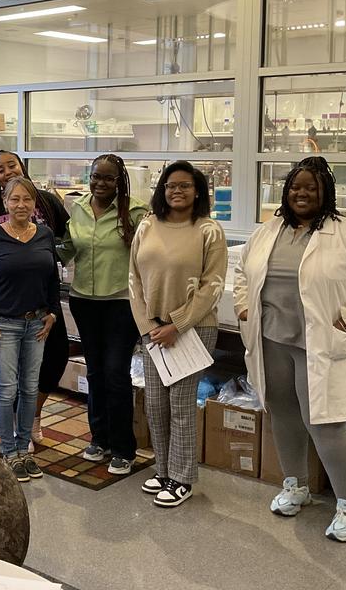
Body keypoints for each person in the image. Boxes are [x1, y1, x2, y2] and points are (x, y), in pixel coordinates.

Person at [233, 156, 346, 542]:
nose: (301, 193)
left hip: (321, 346)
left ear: (325, 193)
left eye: (310, 187)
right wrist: (242, 304)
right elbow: (243, 271)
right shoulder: (269, 231)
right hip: (272, 339)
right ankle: (296, 485)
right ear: (286, 191)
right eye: (295, 187)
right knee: (283, 414)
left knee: (325, 425)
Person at [129, 160, 226, 507]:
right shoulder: (147, 226)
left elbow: (213, 286)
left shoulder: (208, 230)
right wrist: (149, 327)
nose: (177, 191)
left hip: (193, 330)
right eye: (171, 185)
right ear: (162, 190)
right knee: (155, 404)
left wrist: (178, 324)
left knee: (181, 405)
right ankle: (163, 470)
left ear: (197, 190)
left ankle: (182, 477)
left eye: (185, 185)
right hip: (153, 332)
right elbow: (134, 282)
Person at [0, 150, 69, 451]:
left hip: (40, 310)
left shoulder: (46, 213)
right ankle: (11, 442)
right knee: (8, 385)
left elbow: (61, 254)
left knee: (48, 366)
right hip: (5, 312)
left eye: (11, 165)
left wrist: (53, 309)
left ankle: (31, 419)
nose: (7, 172)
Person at [59, 154, 147, 475]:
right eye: (96, 176)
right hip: (84, 300)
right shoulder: (78, 208)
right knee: (94, 372)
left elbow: (147, 257)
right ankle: (100, 438)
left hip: (121, 304)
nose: (100, 183)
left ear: (119, 180)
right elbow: (67, 248)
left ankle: (124, 447)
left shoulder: (137, 212)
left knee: (115, 373)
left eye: (108, 178)